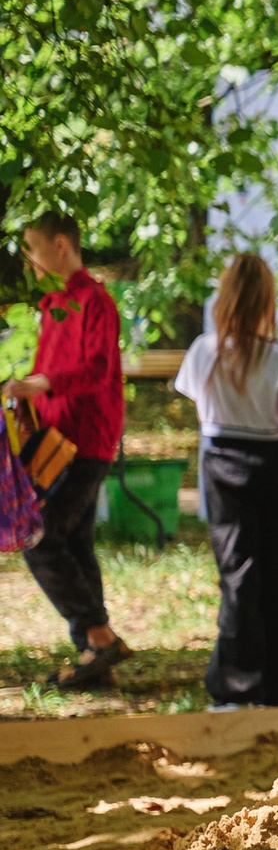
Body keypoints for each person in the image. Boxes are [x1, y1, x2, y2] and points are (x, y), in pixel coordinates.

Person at [174, 254, 278, 707]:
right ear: (267, 302)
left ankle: (235, 688)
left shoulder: (203, 350)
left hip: (221, 467)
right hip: (274, 471)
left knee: (239, 576)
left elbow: (203, 413)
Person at [4, 213, 130, 689]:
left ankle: (100, 637)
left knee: (41, 538)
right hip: (54, 442)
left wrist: (41, 382)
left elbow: (96, 369)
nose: (32, 265)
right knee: (75, 542)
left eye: (34, 251)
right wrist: (26, 401)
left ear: (60, 245)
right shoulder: (52, 303)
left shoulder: (95, 300)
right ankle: (94, 658)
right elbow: (44, 373)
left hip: (88, 441)